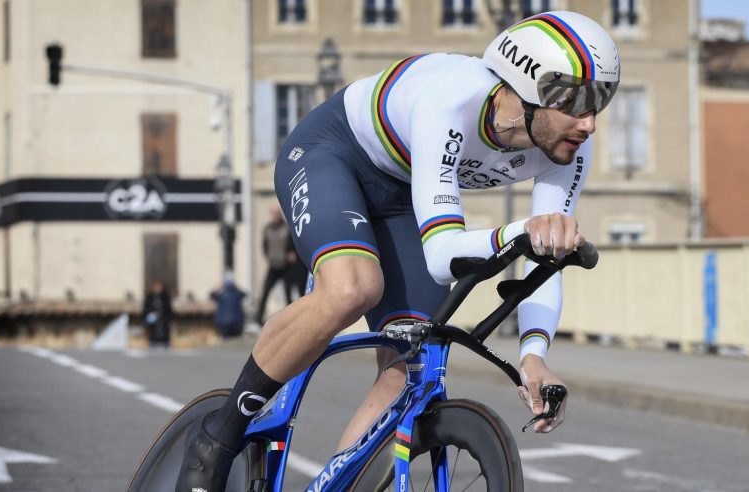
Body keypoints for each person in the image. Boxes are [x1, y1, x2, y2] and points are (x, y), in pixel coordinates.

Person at [177, 11, 620, 490]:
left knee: (411, 363)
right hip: (334, 154)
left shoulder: (568, 144)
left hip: (404, 193)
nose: (590, 123)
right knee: (353, 289)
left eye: (601, 101)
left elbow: (545, 254)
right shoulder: (451, 102)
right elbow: (443, 254)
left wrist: (535, 355)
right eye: (576, 102)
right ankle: (217, 437)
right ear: (528, 86)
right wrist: (521, 231)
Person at [254, 206, 299, 325]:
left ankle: (292, 319)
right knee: (265, 292)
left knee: (288, 293)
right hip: (273, 266)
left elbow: (292, 244)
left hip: (285, 266)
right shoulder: (267, 229)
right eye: (274, 214)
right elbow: (264, 245)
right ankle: (258, 318)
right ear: (271, 215)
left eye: (277, 214)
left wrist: (291, 254)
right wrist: (268, 257)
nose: (276, 216)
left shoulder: (287, 228)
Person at [142, 280, 173, 350]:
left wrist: (169, 320)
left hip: (163, 325)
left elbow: (169, 311)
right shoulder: (149, 298)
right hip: (153, 327)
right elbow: (145, 311)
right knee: (153, 345)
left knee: (166, 345)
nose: (157, 288)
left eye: (159, 287)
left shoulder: (165, 297)